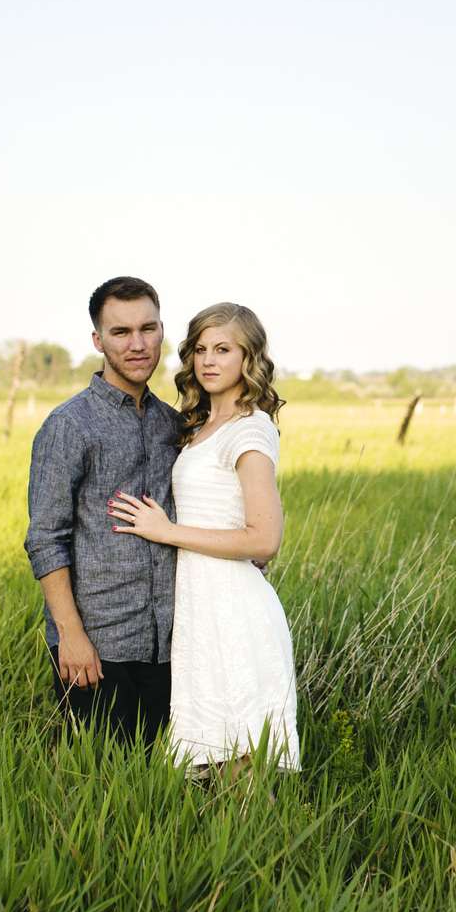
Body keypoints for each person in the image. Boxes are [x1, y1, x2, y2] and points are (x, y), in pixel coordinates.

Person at [109, 302, 301, 775]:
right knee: (213, 753)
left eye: (224, 349)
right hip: (200, 605)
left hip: (231, 607)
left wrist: (167, 532)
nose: (209, 360)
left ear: (248, 358)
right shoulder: (199, 425)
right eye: (200, 349)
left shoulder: (250, 429)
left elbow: (264, 539)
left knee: (242, 759)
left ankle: (263, 846)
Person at [24, 276, 181, 744]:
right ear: (98, 340)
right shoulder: (69, 425)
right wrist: (70, 636)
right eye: (121, 332)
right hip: (98, 645)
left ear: (160, 331)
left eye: (148, 329)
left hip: (170, 645)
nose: (138, 344)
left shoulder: (172, 424)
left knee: (161, 784)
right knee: (99, 789)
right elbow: (45, 538)